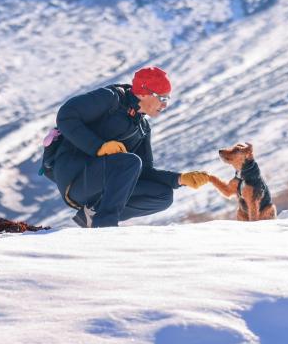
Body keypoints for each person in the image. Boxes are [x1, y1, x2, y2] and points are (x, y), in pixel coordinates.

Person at [46, 66, 211, 228]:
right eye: (162, 98)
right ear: (143, 93)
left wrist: (179, 178)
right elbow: (67, 115)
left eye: (167, 99)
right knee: (129, 161)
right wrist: (98, 147)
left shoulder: (143, 127)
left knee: (163, 195)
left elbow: (143, 171)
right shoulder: (111, 99)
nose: (165, 105)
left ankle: (93, 214)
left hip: (101, 185)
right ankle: (104, 225)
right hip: (75, 179)